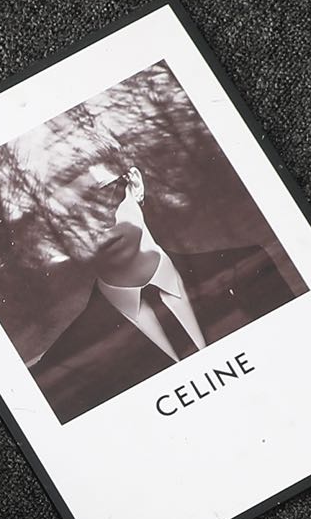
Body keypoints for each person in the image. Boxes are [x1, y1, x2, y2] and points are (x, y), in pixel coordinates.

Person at [26, 155, 296, 423]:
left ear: (135, 184)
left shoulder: (248, 267)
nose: (95, 225)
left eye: (102, 198)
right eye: (69, 219)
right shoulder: (63, 368)